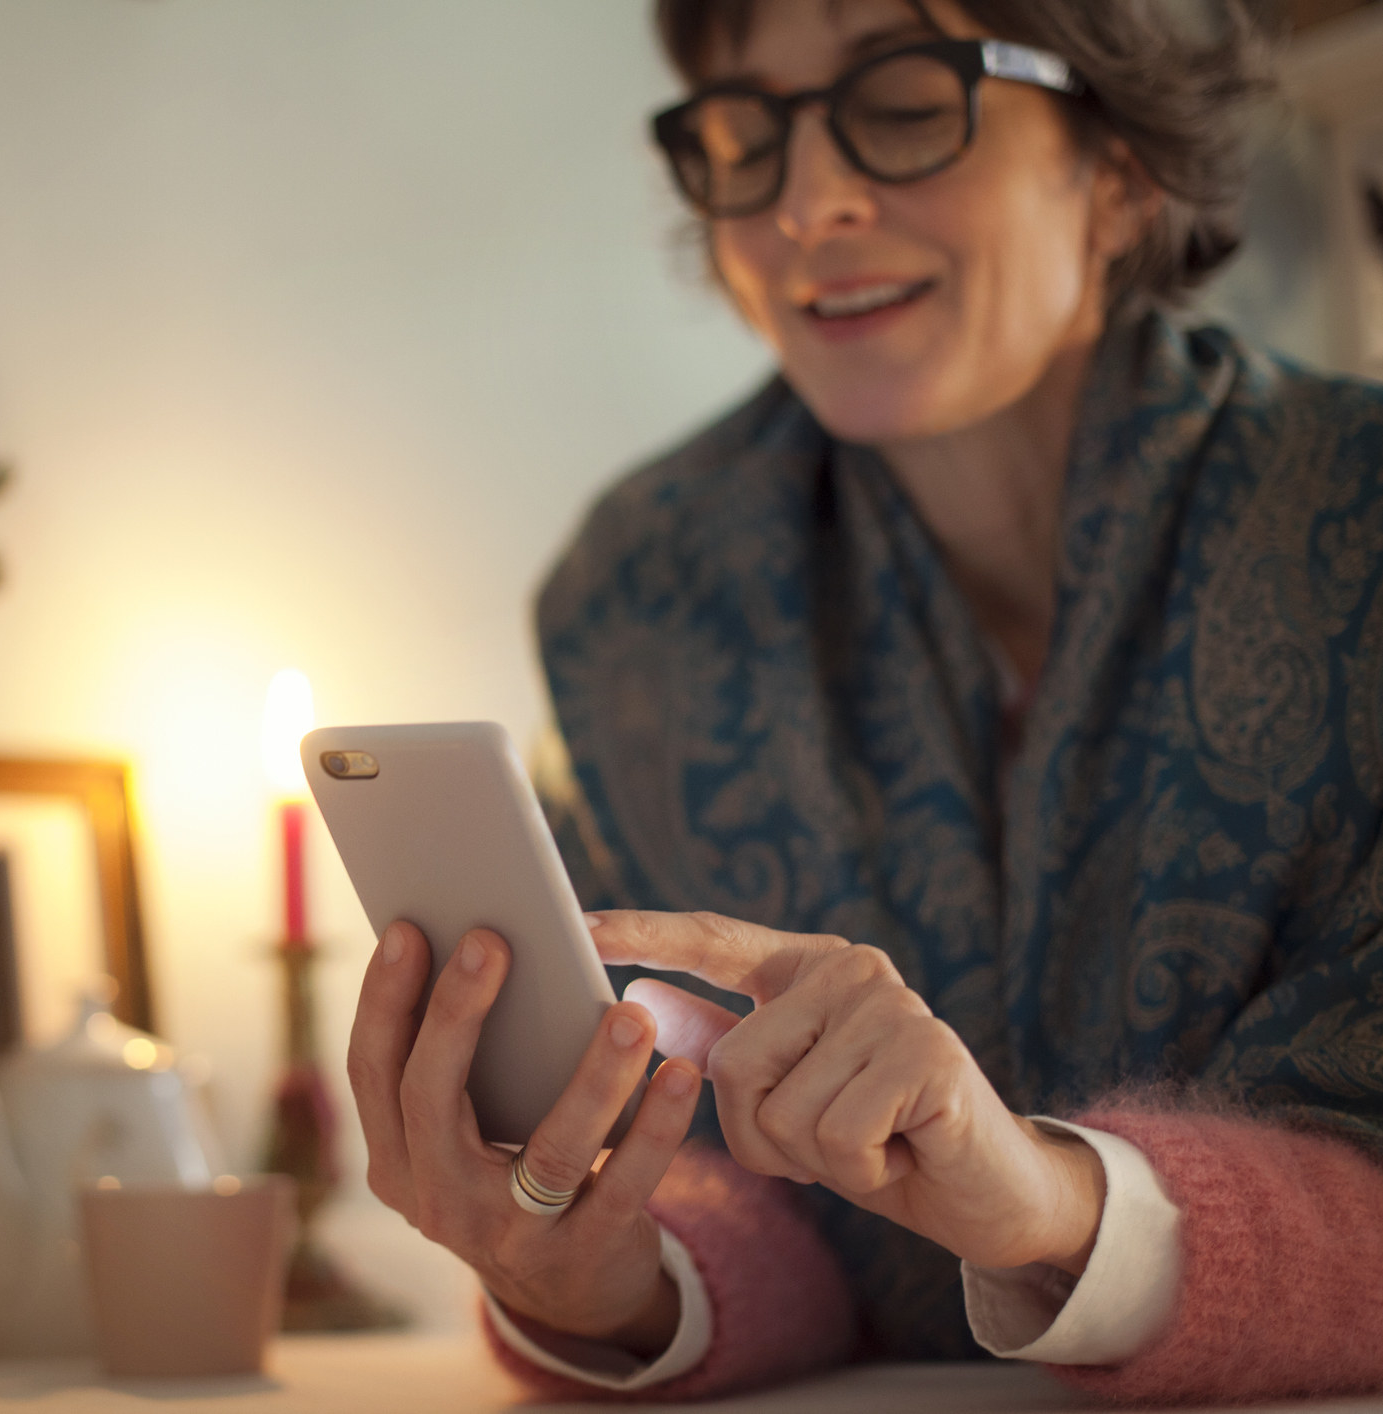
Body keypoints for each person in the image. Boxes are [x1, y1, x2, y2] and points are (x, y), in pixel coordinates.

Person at [346, 0, 1383, 1404]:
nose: (806, 203)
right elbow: (725, 1190)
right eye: (741, 135)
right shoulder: (638, 602)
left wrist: (1048, 1201)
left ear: (1121, 161)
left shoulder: (1357, 527)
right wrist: (605, 1278)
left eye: (902, 104)